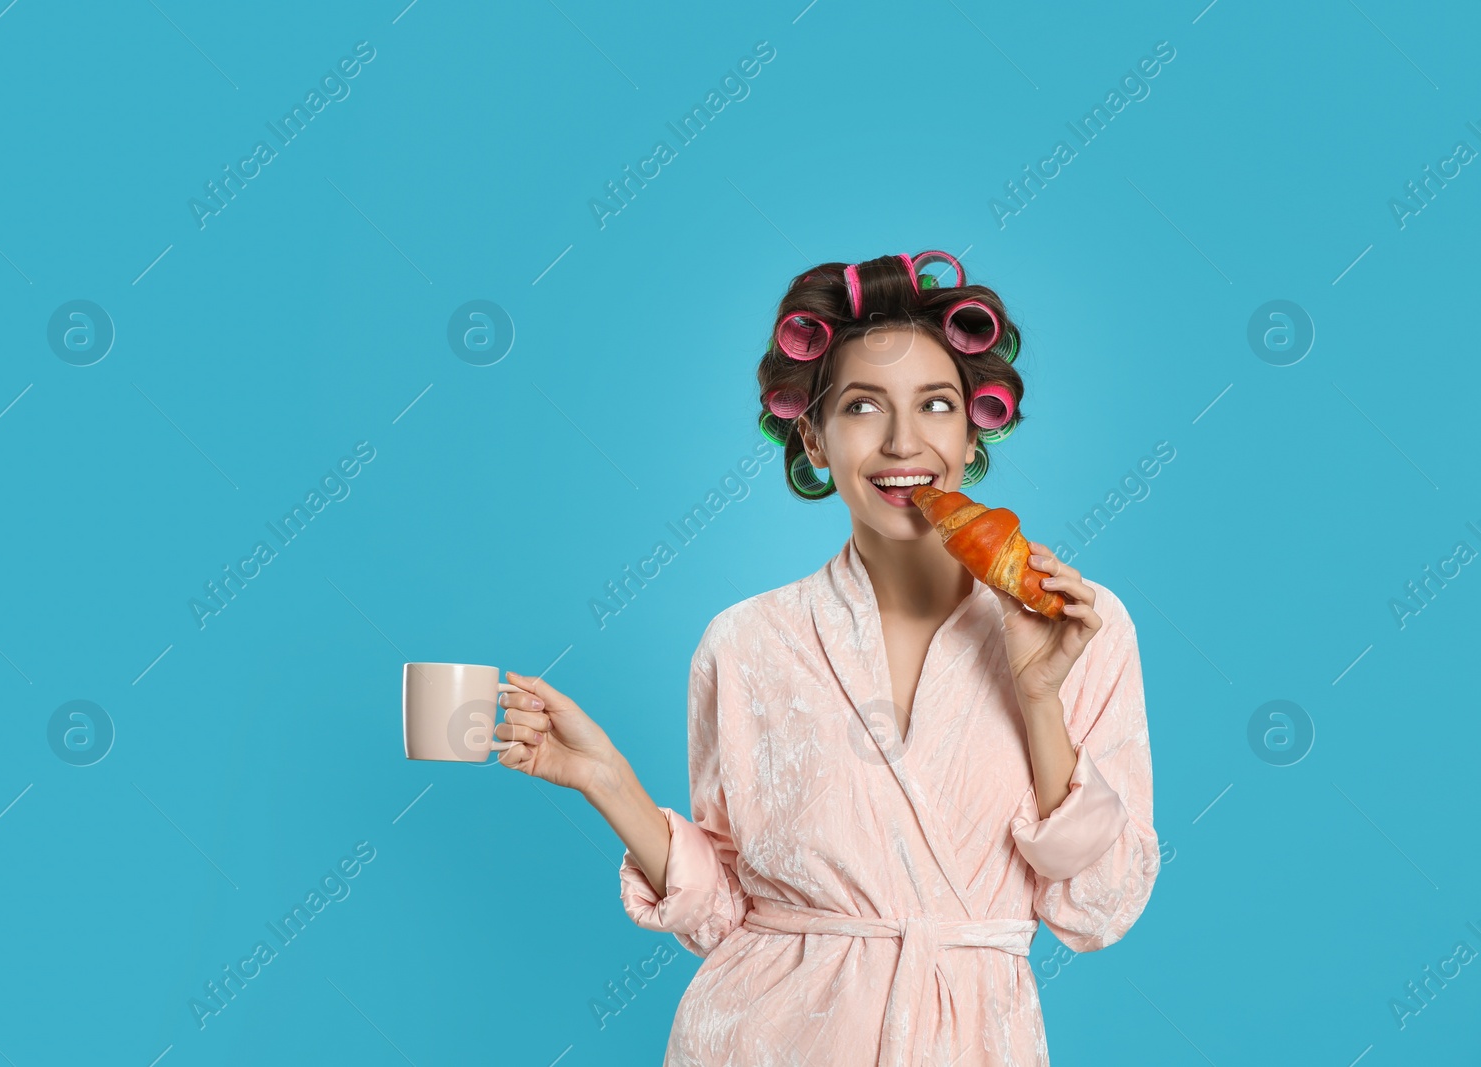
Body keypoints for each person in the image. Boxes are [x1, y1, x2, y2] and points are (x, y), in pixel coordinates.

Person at [490, 251, 1159, 1065]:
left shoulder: (1078, 625)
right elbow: (724, 915)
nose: (904, 441)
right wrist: (610, 783)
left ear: (971, 429)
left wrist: (1039, 695)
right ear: (814, 435)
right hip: (765, 1035)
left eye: (936, 404)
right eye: (863, 407)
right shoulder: (745, 641)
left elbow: (1098, 907)